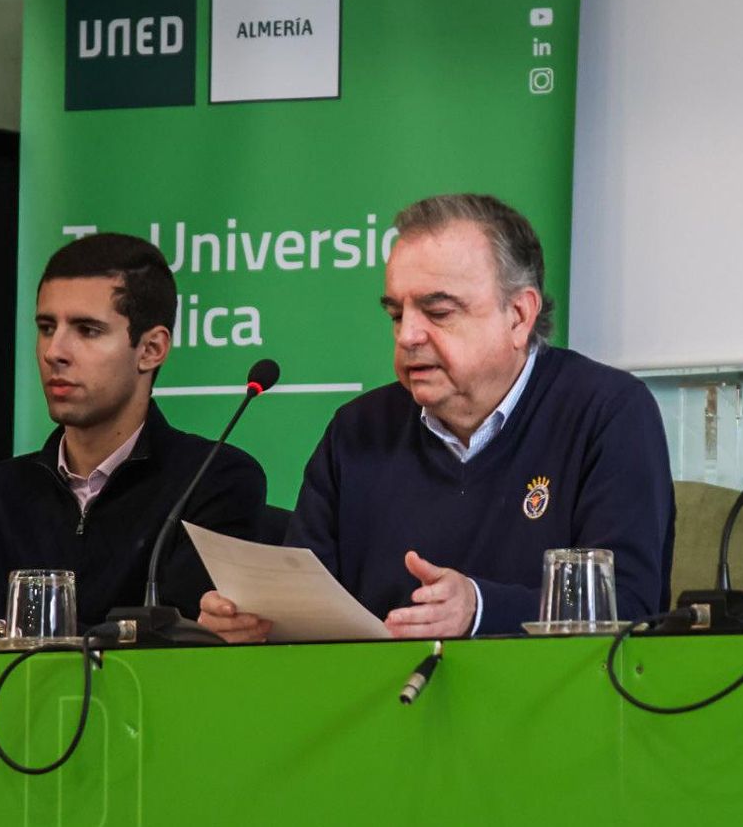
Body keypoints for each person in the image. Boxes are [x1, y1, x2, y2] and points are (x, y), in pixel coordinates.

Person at [198, 193, 675, 641]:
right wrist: (260, 619)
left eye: (438, 311)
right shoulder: (358, 430)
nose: (407, 336)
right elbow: (306, 605)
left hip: (550, 713)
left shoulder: (607, 412)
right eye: (396, 314)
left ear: (518, 315)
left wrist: (480, 608)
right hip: (381, 712)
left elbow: (629, 609)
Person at [0, 233, 270, 642]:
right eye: (46, 326)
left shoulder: (214, 478)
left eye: (87, 330)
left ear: (151, 349)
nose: (55, 351)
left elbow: (175, 646)